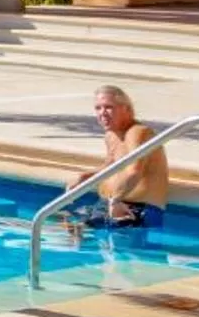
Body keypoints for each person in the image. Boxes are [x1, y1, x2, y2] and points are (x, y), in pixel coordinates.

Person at [71, 84, 168, 228]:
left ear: (126, 109)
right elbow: (111, 165)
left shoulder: (138, 132)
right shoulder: (111, 135)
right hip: (108, 204)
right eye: (98, 108)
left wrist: (116, 200)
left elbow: (135, 171)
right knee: (65, 225)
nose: (102, 113)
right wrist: (86, 176)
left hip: (135, 208)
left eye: (108, 107)